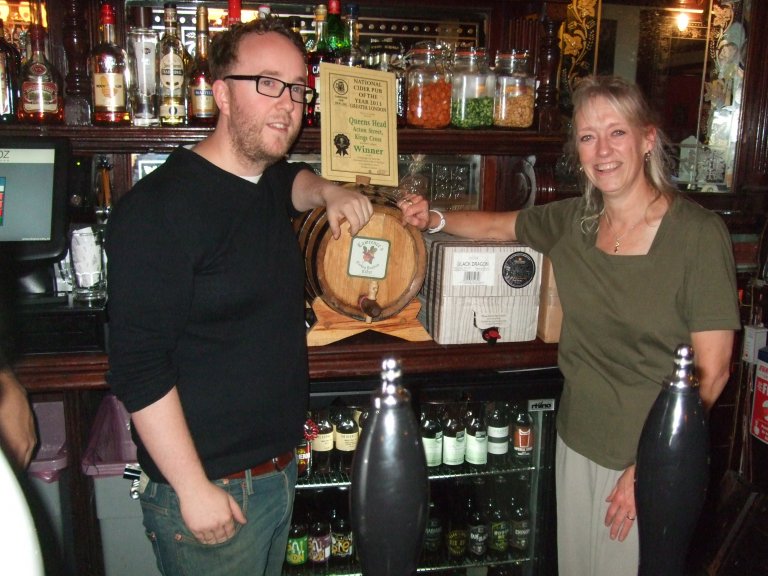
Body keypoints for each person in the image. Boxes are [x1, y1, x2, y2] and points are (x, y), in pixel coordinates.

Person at [400, 75, 740, 576]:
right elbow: (500, 225)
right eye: (587, 136)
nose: (602, 150)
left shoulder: (698, 236)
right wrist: (434, 219)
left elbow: (714, 373)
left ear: (647, 139)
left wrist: (655, 467)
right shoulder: (575, 221)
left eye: (616, 132)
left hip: (650, 459)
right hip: (576, 440)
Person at [105, 17, 373, 576]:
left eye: (299, 88)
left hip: (275, 473)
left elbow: (292, 181)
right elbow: (138, 367)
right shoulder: (160, 210)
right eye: (268, 82)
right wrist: (192, 488)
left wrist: (327, 188)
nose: (289, 103)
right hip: (214, 493)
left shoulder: (261, 178)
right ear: (221, 93)